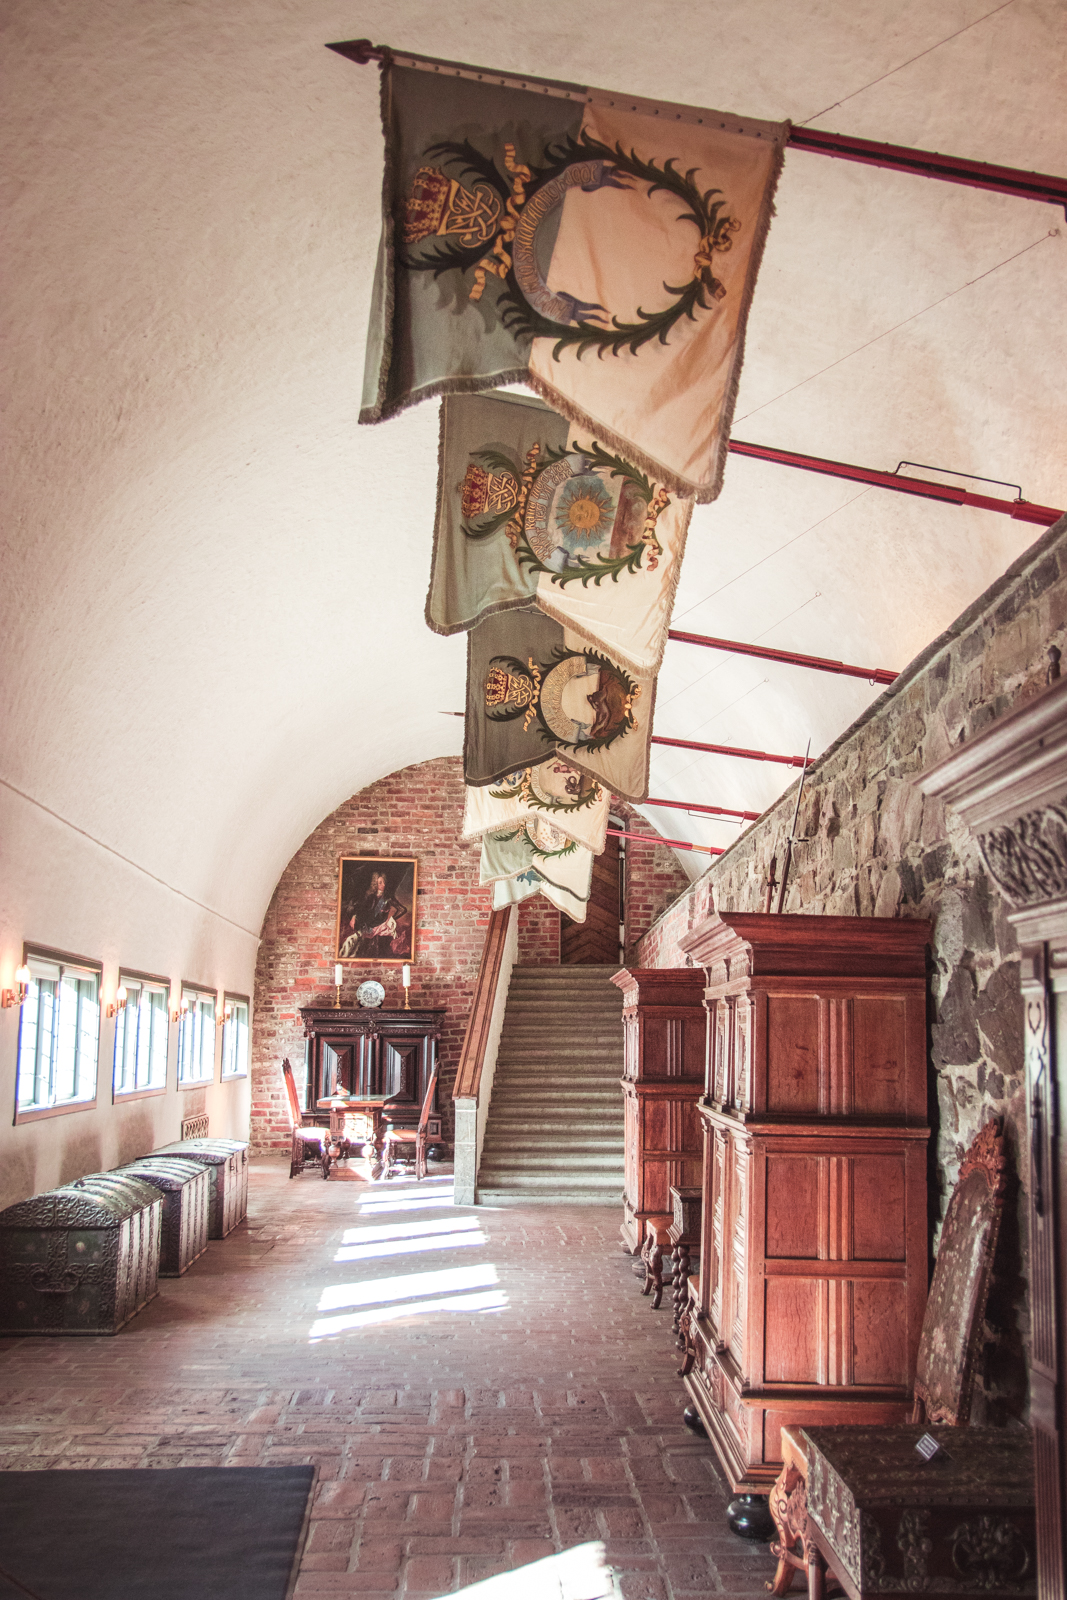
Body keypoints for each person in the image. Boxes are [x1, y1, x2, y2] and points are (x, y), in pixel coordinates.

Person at [339, 871, 411, 960]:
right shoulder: (370, 897)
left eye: (384, 882)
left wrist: (391, 919)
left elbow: (403, 910)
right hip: (367, 927)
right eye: (380, 883)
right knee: (351, 943)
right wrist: (354, 917)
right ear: (375, 884)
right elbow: (361, 910)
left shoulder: (388, 898)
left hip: (380, 928)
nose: (383, 884)